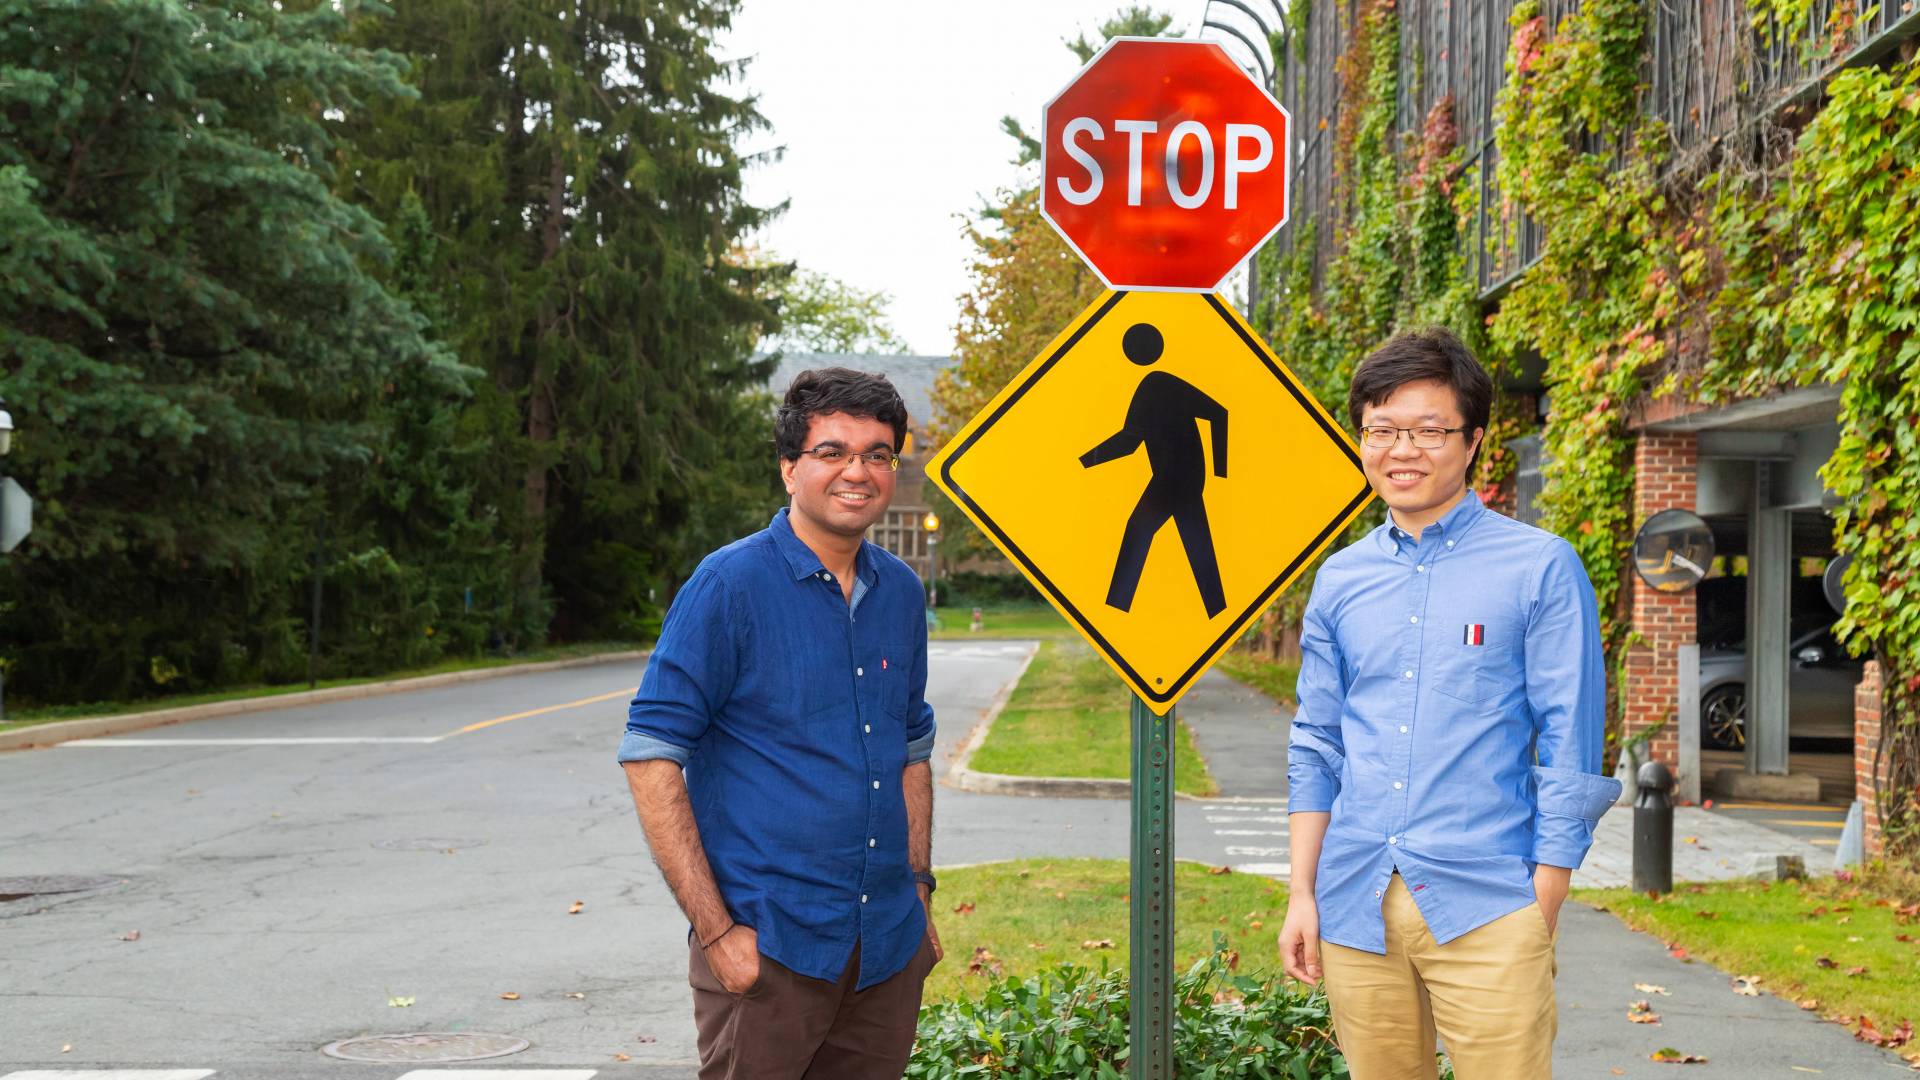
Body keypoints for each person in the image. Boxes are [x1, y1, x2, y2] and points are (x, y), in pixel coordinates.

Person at [1276, 328, 1621, 1079]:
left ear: (1473, 443)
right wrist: (1302, 892)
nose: (1402, 451)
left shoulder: (1540, 567)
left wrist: (1545, 894)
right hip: (1356, 898)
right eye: (1382, 430)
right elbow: (1318, 743)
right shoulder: (1341, 579)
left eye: (1429, 431)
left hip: (1490, 901)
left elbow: (1570, 739)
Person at [619, 367, 941, 1080]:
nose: (857, 472)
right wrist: (716, 934)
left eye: (878, 454)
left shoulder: (901, 593)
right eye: (832, 452)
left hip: (885, 952)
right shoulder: (728, 585)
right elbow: (650, 755)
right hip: (771, 951)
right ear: (790, 469)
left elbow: (912, 751)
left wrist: (919, 891)